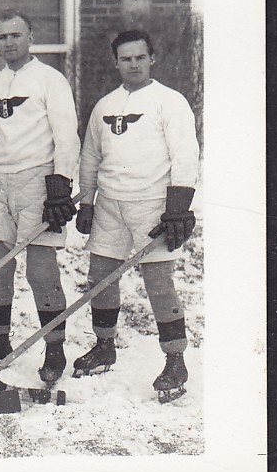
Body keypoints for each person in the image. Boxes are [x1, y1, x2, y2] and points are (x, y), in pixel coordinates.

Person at [73, 29, 201, 401]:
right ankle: (104, 346)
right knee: (100, 277)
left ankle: (175, 360)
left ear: (152, 58)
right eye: (125, 58)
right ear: (116, 62)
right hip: (111, 204)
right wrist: (87, 202)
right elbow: (91, 156)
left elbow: (185, 155)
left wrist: (178, 208)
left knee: (159, 283)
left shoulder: (169, 101)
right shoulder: (104, 105)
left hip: (152, 205)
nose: (133, 64)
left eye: (139, 57)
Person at [0, 9, 79, 386]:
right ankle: (0, 342)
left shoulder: (50, 79)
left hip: (36, 179)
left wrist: (60, 183)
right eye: (2, 37)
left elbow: (66, 135)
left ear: (31, 37)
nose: (9, 42)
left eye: (16, 35)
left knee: (40, 270)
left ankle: (55, 348)